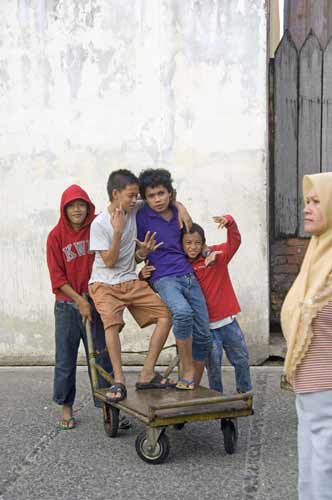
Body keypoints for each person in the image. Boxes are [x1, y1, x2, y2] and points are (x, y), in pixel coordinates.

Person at [88, 169, 184, 403]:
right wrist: (118, 230)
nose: (135, 200)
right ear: (115, 194)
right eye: (131, 195)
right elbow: (109, 262)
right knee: (111, 325)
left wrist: (182, 209)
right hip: (104, 283)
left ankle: (147, 372)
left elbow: (170, 195)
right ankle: (119, 380)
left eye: (136, 196)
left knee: (165, 316)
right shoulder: (100, 224)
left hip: (130, 279)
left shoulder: (135, 207)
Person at [281, 172, 332, 500]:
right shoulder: (317, 255)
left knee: (326, 468)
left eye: (316, 202)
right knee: (311, 468)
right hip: (310, 389)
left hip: (329, 387)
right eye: (306, 202)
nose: (307, 209)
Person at [136, 168, 212, 389]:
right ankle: (187, 368)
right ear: (145, 198)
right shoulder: (141, 217)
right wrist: (141, 266)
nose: (157, 199)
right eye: (151, 195)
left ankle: (190, 384)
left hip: (188, 275)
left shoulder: (179, 214)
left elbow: (194, 241)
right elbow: (134, 253)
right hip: (163, 277)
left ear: (170, 193)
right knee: (182, 312)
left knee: (204, 335)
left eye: (161, 193)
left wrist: (180, 206)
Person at [46, 185, 114, 430]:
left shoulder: (96, 227)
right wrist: (80, 300)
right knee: (66, 359)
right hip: (67, 307)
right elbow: (57, 277)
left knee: (101, 357)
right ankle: (66, 409)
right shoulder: (56, 236)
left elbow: (118, 211)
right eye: (71, 205)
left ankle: (109, 409)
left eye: (81, 204)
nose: (77, 209)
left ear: (88, 207)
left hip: (96, 301)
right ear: (64, 209)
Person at [181, 217, 252, 394]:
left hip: (228, 323)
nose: (193, 247)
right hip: (205, 329)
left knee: (241, 359)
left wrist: (229, 222)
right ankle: (218, 402)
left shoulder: (217, 255)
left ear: (204, 244)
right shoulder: (182, 267)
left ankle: (244, 395)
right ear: (181, 245)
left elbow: (235, 241)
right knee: (213, 369)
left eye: (197, 243)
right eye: (188, 243)